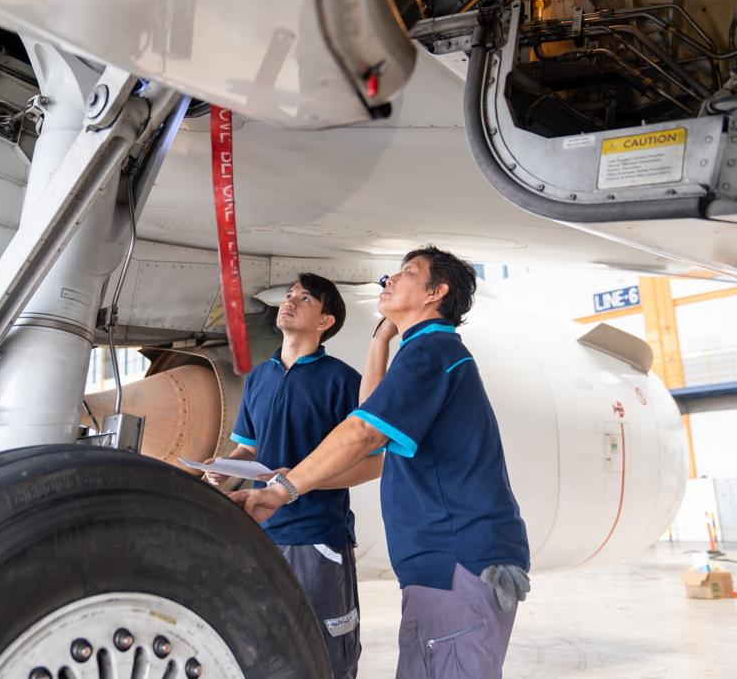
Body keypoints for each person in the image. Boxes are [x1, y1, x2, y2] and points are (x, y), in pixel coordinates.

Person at [231, 246, 531, 679]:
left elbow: (363, 432)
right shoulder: (421, 351)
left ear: (436, 292)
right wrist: (380, 339)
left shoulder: (433, 352)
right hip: (437, 561)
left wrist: (284, 489)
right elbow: (371, 412)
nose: (389, 278)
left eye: (407, 272)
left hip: (457, 558)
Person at [204, 272, 378, 679]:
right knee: (265, 643)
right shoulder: (260, 377)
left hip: (317, 536)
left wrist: (299, 483)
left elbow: (375, 462)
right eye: (289, 295)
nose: (290, 301)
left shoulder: (344, 382)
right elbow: (250, 445)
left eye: (305, 299)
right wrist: (223, 470)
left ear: (325, 322)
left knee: (327, 647)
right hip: (260, 532)